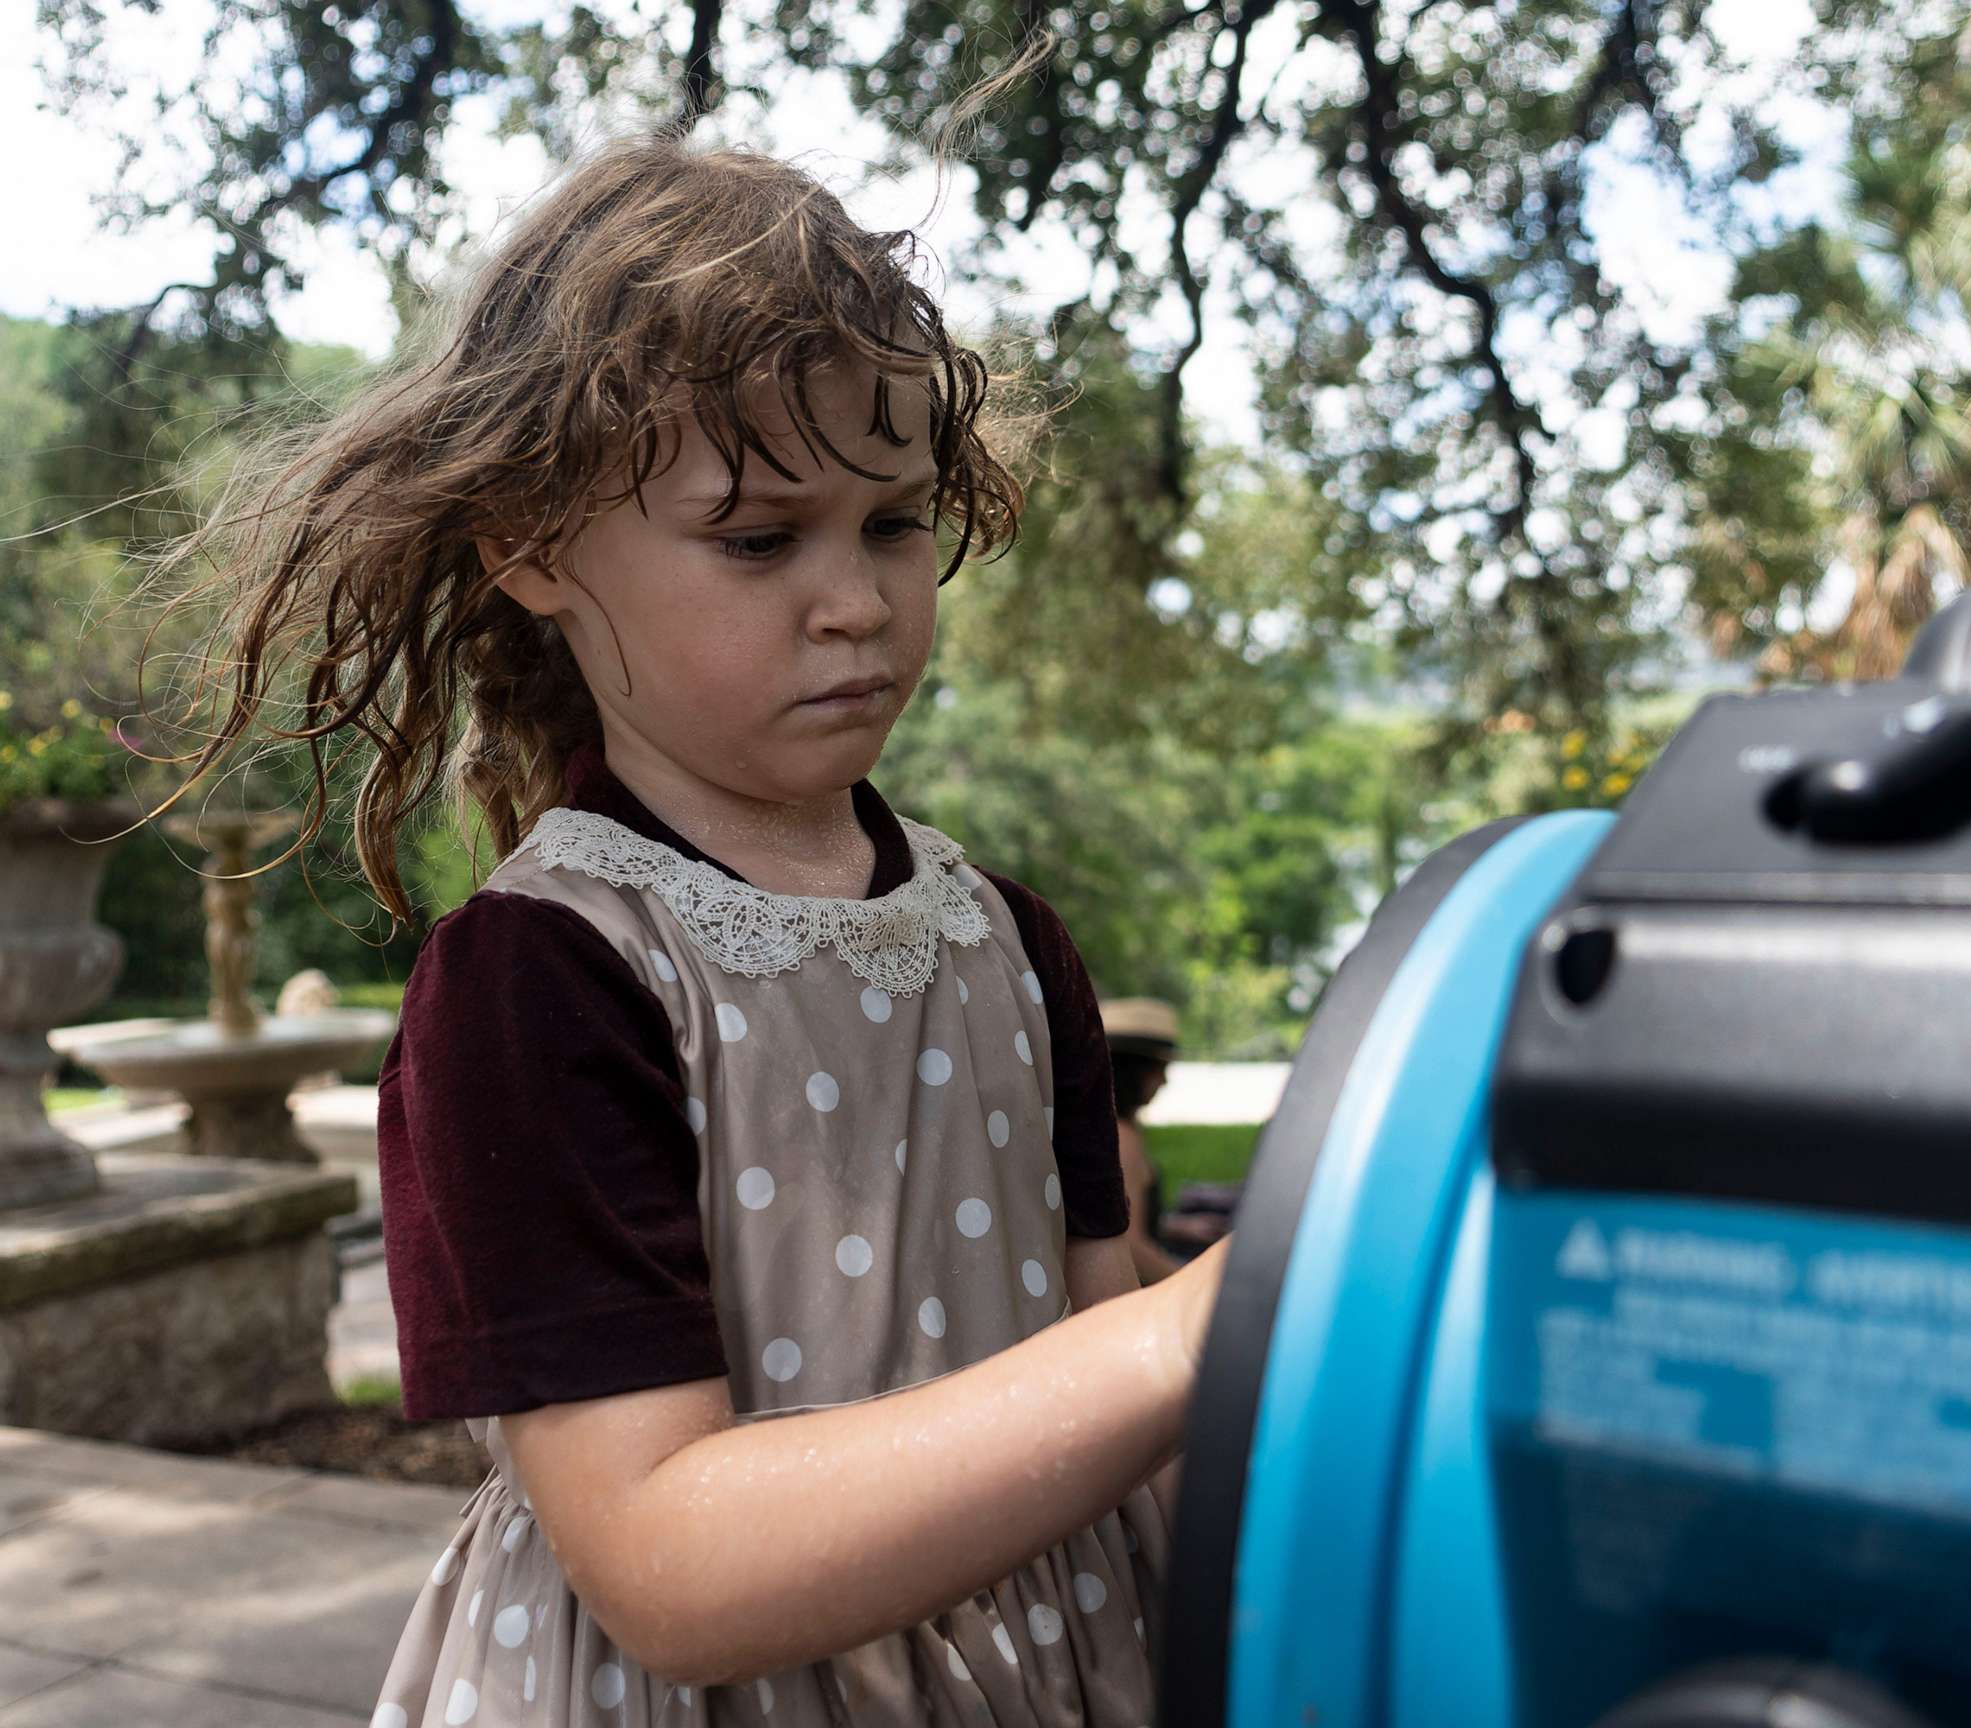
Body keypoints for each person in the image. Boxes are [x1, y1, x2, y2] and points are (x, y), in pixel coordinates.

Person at [158, 132, 1226, 1728]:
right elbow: (669, 1565)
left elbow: (1105, 1335)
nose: (855, 599)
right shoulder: (542, 984)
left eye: (891, 523)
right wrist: (1188, 1338)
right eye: (756, 537)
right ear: (527, 544)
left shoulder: (1010, 941)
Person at [1100, 999, 1186, 1287]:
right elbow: (1132, 1249)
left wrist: (1180, 1226)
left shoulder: (1113, 1128)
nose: (1164, 1081)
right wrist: (1196, 1287)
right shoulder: (1122, 1139)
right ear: (1131, 1072)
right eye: (1158, 1069)